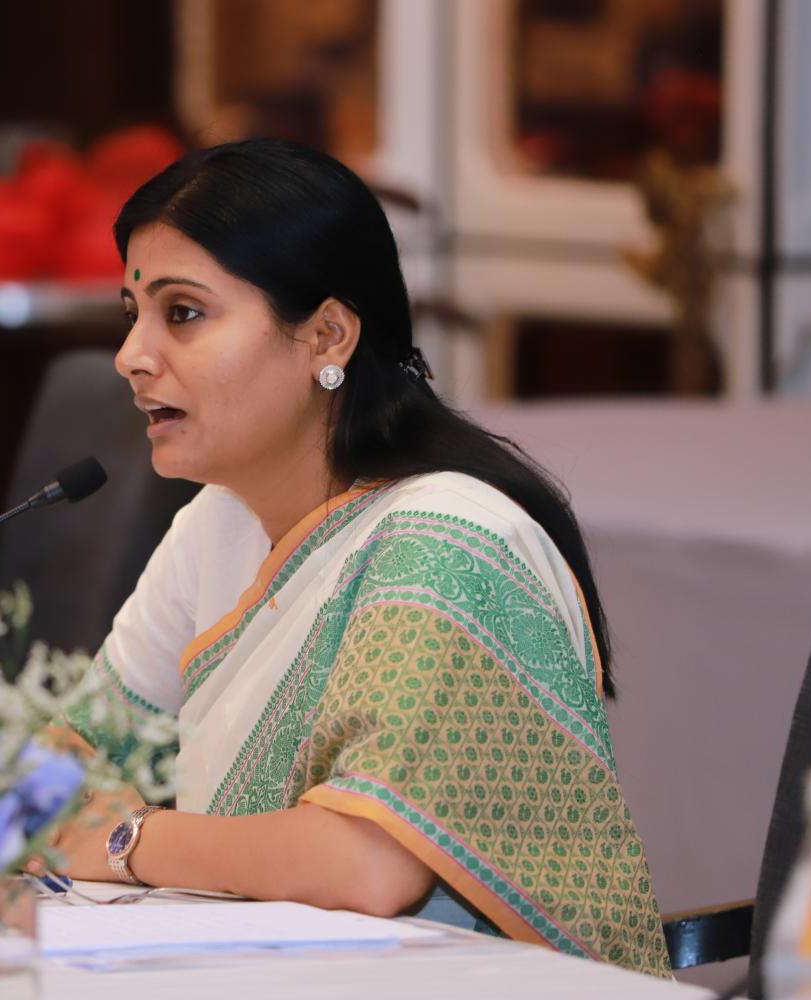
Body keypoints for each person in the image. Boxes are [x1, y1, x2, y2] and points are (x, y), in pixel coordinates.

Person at [53, 138, 671, 976]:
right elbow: (63, 761)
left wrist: (128, 838)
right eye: (135, 313)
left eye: (184, 313)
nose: (132, 355)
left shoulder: (447, 541)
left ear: (327, 336)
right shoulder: (218, 523)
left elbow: (364, 864)